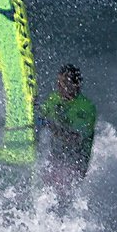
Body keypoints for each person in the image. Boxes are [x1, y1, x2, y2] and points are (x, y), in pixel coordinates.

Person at [37, 64, 97, 199]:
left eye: (63, 83)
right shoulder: (54, 98)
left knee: (58, 197)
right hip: (55, 158)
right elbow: (38, 116)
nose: (59, 86)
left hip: (76, 164)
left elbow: (75, 139)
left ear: (76, 85)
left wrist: (51, 126)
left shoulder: (86, 108)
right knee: (41, 191)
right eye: (58, 82)